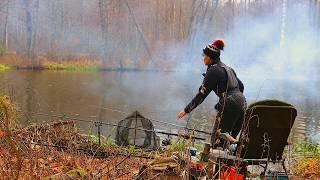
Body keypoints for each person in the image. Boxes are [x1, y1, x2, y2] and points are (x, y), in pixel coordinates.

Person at [177, 39, 247, 147]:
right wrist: (235, 100)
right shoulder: (228, 68)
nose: (202, 57)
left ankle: (217, 160)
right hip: (242, 102)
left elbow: (202, 95)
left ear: (209, 57)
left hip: (230, 103)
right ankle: (228, 159)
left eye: (203, 55)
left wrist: (186, 110)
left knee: (218, 138)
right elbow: (241, 86)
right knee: (230, 137)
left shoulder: (213, 70)